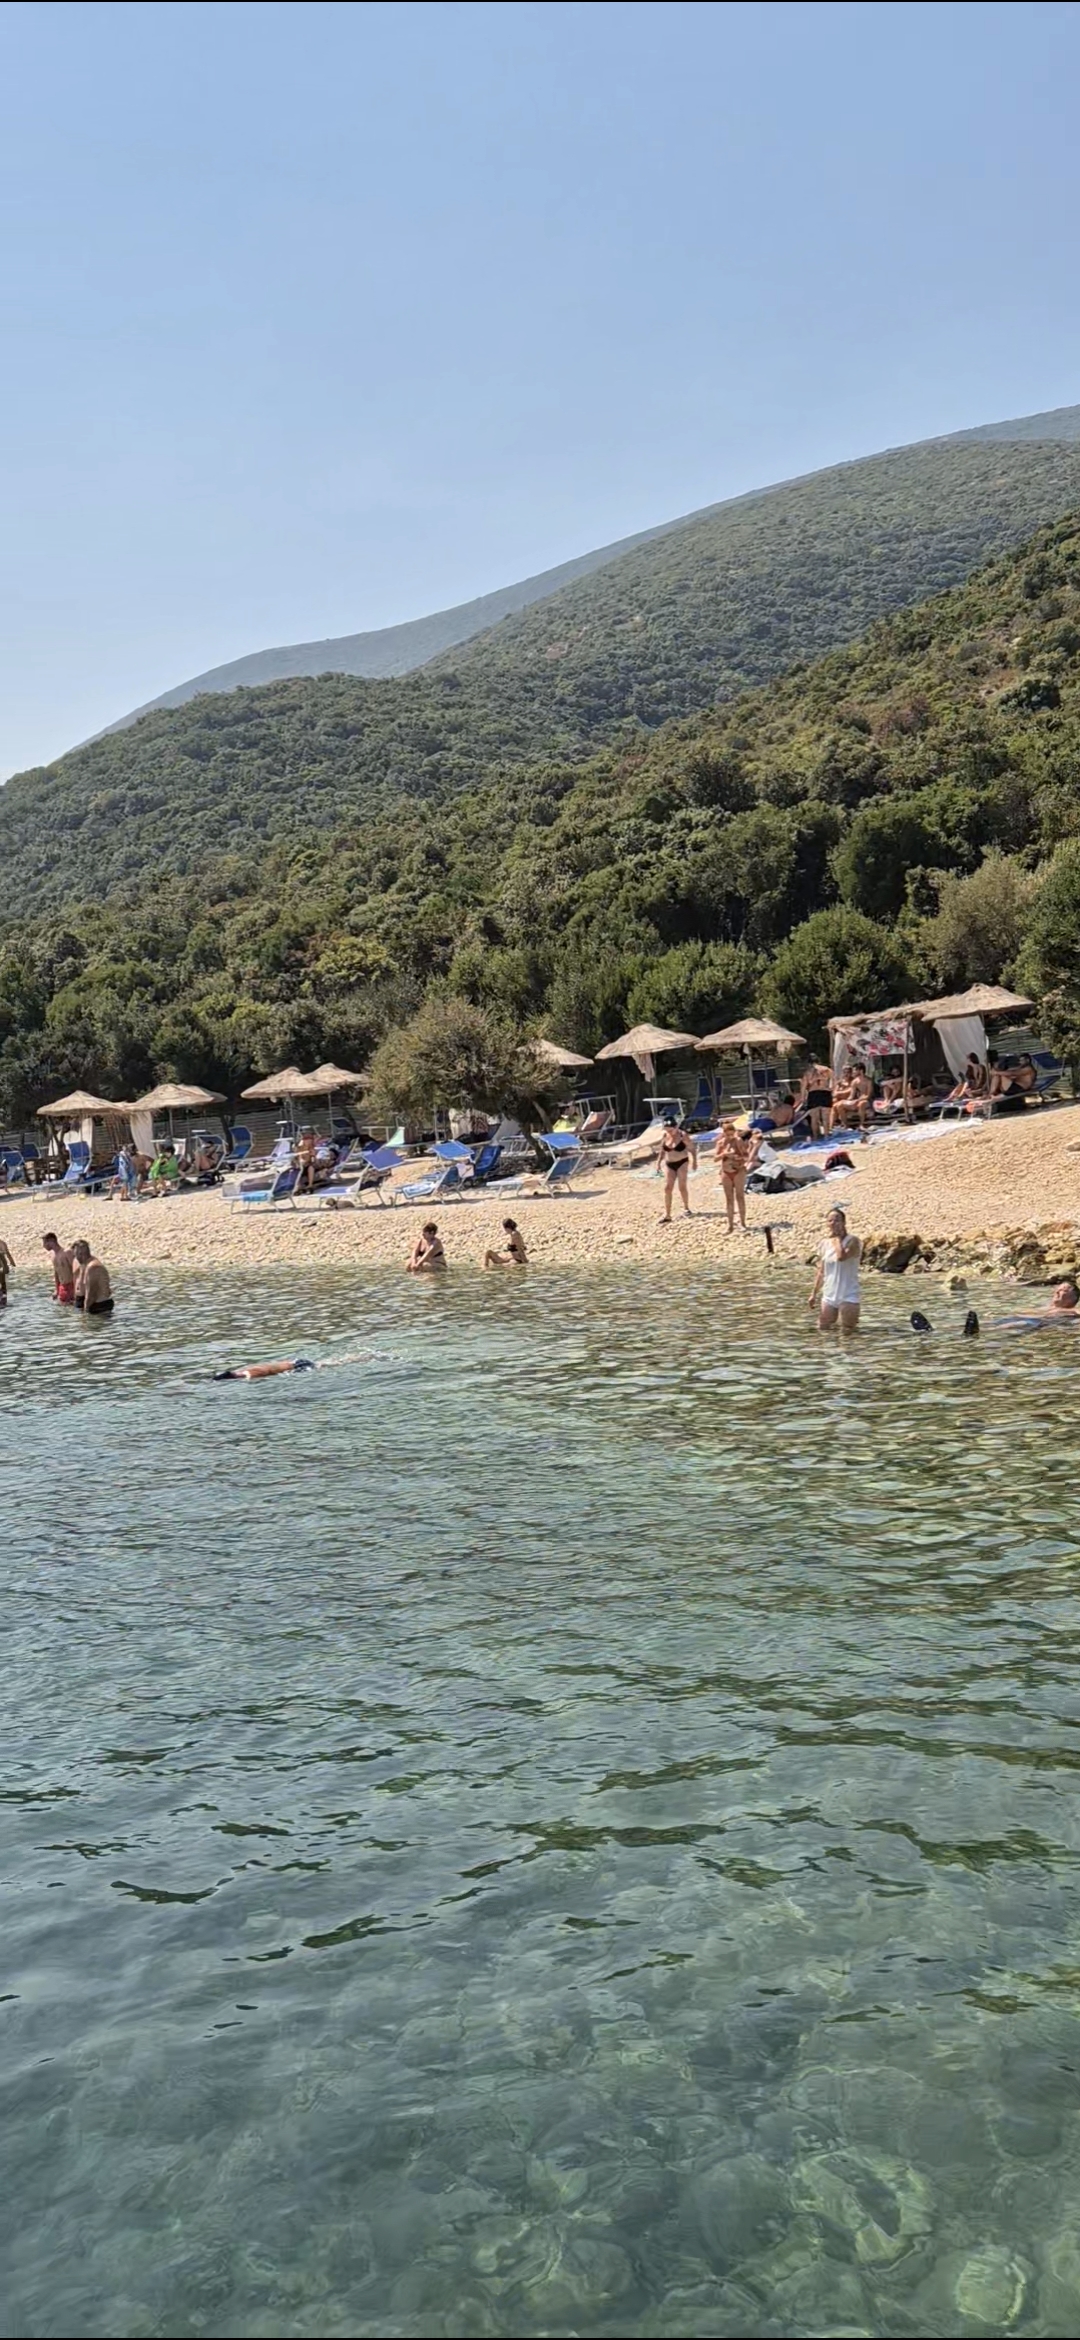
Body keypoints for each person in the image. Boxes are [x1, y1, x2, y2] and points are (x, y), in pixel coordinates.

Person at [808, 1205, 862, 1331]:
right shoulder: (824, 1244)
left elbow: (841, 1257)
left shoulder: (853, 1241)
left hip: (848, 1294)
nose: (833, 1223)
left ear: (844, 1222)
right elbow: (821, 1271)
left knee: (848, 1332)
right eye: (830, 1220)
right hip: (829, 1294)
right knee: (822, 1327)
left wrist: (837, 1239)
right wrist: (814, 1294)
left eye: (837, 1220)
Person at [657, 1116, 697, 1222]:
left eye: (671, 1129)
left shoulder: (682, 1135)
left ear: (675, 1127)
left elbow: (692, 1149)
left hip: (682, 1162)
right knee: (667, 1188)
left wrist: (694, 1162)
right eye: (667, 1129)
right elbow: (662, 1150)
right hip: (669, 1163)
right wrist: (658, 1163)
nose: (669, 1131)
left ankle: (686, 1208)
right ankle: (668, 1214)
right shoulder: (665, 1136)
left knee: (682, 1186)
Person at [714, 1119, 750, 1232]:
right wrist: (724, 1154)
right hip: (726, 1171)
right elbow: (715, 1158)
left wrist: (738, 1158)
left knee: (740, 1197)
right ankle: (730, 1225)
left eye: (731, 1134)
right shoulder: (720, 1143)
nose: (730, 1136)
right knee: (729, 1199)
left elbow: (746, 1156)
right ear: (723, 1133)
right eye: (727, 1134)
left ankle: (743, 1223)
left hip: (738, 1170)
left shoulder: (738, 1141)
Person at [72, 1239, 114, 1315]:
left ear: (81, 1254)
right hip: (90, 1303)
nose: (75, 1258)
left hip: (98, 1305)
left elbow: (91, 1293)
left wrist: (86, 1311)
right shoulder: (84, 1263)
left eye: (75, 1255)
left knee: (93, 1326)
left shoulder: (93, 1267)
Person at [43, 1231, 76, 1303]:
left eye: (45, 1242)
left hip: (72, 1285)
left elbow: (76, 1270)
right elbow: (56, 1273)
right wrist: (57, 1290)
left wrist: (78, 1287)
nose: (44, 1245)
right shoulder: (53, 1255)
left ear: (52, 1241)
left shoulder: (67, 1252)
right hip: (62, 1286)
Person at [294, 1127, 319, 1193]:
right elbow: (295, 1157)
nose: (308, 1141)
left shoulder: (311, 1148)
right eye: (307, 1139)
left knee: (311, 1168)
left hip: (308, 1165)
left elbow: (313, 1160)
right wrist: (298, 1162)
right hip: (300, 1165)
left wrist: (313, 1156)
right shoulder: (298, 1148)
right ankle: (299, 1186)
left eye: (310, 1140)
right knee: (296, 1169)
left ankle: (310, 1185)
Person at [0, 1237, 13, 1307]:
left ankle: (3, 1300)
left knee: (3, 1285)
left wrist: (11, 1264)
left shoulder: (2, 1243)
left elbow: (6, 1255)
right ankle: (3, 1300)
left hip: (2, 1270)